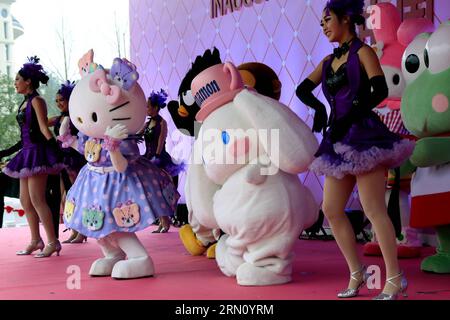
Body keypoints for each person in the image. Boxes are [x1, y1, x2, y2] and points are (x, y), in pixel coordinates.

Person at [296, 0, 415, 300]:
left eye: (327, 19)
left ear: (347, 19)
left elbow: (381, 90)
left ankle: (396, 278)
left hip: (365, 137)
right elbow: (301, 90)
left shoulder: (363, 52)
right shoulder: (326, 62)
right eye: (321, 21)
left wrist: (348, 117)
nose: (323, 26)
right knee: (331, 210)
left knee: (374, 208)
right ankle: (357, 272)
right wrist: (320, 112)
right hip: (337, 140)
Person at [2, 56, 65, 257]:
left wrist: (56, 152)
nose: (15, 84)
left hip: (38, 153)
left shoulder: (37, 100)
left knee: (38, 200)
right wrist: (7, 152)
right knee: (25, 201)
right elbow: (25, 135)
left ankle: (53, 242)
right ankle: (36, 240)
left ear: (28, 81)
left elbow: (43, 129)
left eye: (17, 80)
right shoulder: (23, 103)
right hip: (26, 153)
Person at [49, 81, 87, 243]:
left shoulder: (76, 117)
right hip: (62, 160)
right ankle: (74, 230)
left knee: (76, 195)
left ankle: (82, 231)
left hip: (75, 159)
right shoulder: (60, 118)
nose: (58, 104)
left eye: (61, 100)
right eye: (56, 101)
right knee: (67, 197)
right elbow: (44, 121)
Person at [142, 89, 183, 233]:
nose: (146, 109)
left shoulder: (162, 123)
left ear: (155, 108)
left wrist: (156, 158)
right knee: (153, 192)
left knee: (161, 190)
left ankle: (166, 221)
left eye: (148, 106)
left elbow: (161, 141)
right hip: (148, 158)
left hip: (159, 159)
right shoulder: (147, 124)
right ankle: (162, 220)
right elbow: (138, 135)